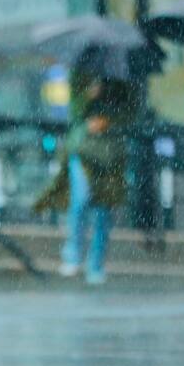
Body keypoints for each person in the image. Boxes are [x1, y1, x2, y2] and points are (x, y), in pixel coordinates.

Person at [35, 66, 138, 285]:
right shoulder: (81, 73)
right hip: (83, 149)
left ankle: (96, 264)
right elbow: (74, 110)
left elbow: (131, 111)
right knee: (80, 200)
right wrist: (88, 96)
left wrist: (109, 120)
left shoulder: (122, 79)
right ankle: (72, 255)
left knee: (103, 209)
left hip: (109, 154)